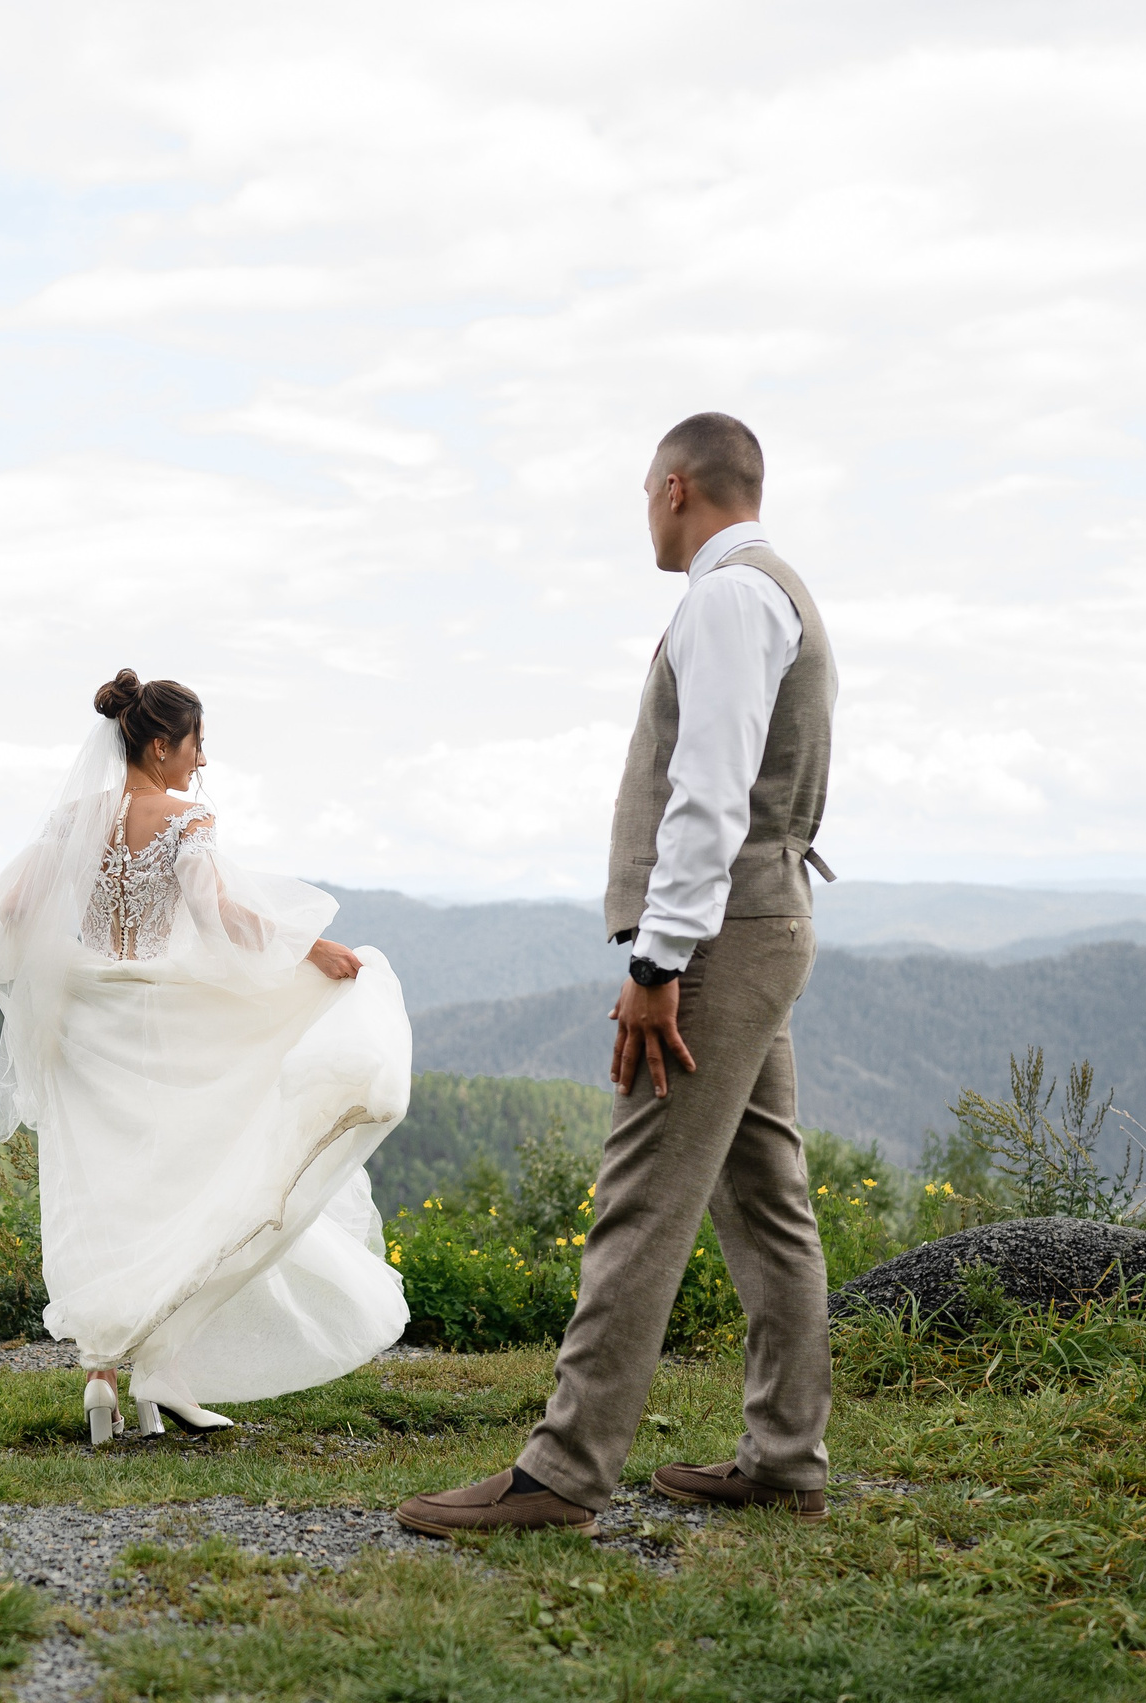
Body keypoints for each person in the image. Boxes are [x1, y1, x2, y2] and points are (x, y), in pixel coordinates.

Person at [396, 411, 838, 1537]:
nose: (645, 512)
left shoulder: (728, 597)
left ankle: (563, 1471)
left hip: (721, 934)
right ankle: (785, 1456)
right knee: (767, 1200)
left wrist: (657, 957)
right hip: (764, 917)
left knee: (640, 1199)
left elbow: (710, 788)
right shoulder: (767, 590)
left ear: (677, 486)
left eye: (647, 492)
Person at [0, 670, 412, 1443]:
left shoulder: (72, 819)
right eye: (197, 743)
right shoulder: (186, 820)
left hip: (87, 1024)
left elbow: (14, 910)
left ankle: (107, 1374)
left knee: (99, 1191)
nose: (202, 760)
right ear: (161, 744)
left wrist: (55, 974)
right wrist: (309, 946)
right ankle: (160, 1369)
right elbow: (216, 911)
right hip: (158, 1021)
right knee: (175, 1189)